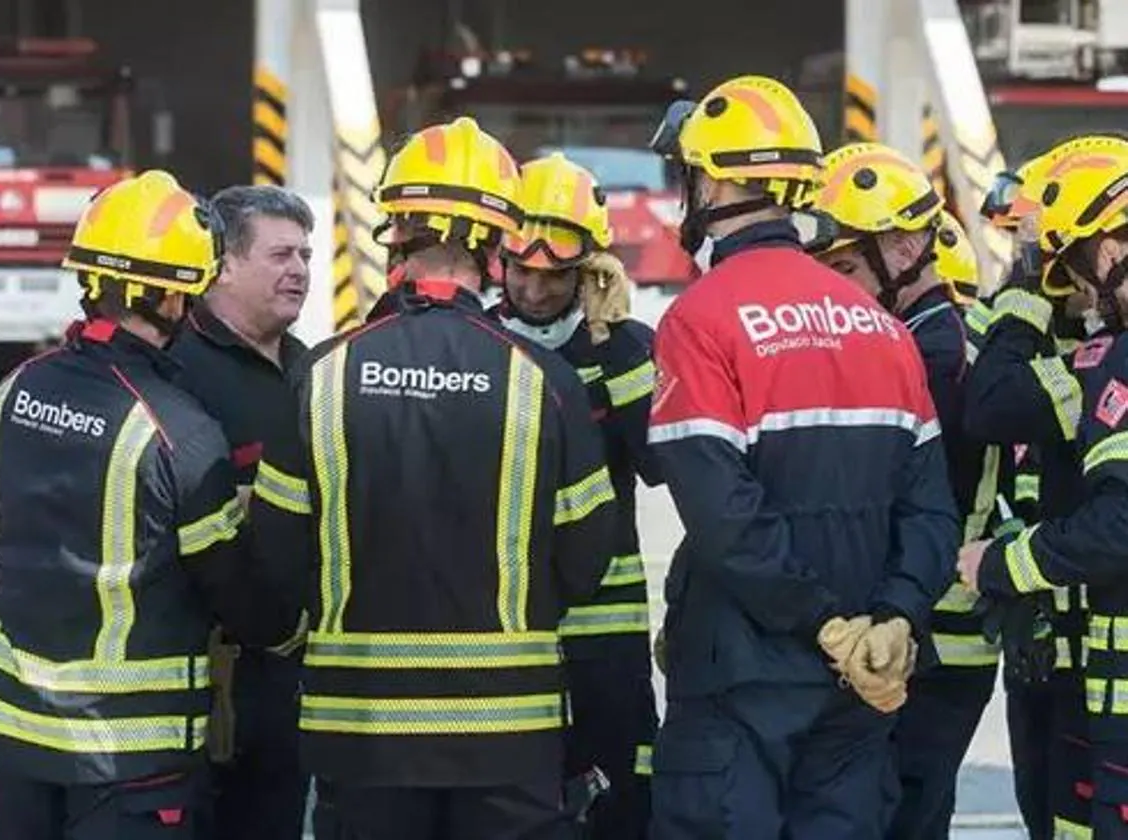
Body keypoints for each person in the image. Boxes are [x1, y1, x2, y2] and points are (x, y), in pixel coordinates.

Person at [249, 116, 617, 840]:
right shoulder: (544, 380)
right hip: (510, 732)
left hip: (358, 729)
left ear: (397, 233)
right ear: (496, 243)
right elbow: (588, 553)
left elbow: (277, 546)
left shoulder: (324, 372)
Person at [644, 75, 958, 839]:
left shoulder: (700, 319)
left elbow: (723, 513)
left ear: (713, 181)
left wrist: (822, 622)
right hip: (863, 682)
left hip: (743, 675)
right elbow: (931, 507)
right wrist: (891, 619)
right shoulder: (879, 325)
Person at [0, 169, 303, 839]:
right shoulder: (177, 431)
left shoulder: (14, 391)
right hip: (129, 760)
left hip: (16, 740)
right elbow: (231, 588)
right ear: (176, 295)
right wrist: (292, 628)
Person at [803, 142, 998, 839]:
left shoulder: (935, 355)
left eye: (849, 268)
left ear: (906, 247)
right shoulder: (916, 339)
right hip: (917, 631)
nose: (838, 289)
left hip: (931, 635)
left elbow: (897, 500)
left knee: (899, 817)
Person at [958, 137, 1128, 839]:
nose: (1076, 294)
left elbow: (1121, 525)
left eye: (1071, 267)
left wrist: (1000, 564)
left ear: (1110, 251)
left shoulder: (1110, 362)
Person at [493, 151, 661, 839]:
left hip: (606, 636)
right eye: (521, 271)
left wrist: (609, 347)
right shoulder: (475, 346)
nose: (533, 291)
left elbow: (656, 460)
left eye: (554, 276)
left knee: (625, 804)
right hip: (509, 629)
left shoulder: (623, 349)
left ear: (589, 268)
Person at [167, 184, 316, 840]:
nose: (301, 271)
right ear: (224, 264)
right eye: (281, 254)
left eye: (307, 255)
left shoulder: (312, 370)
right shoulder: (177, 370)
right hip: (210, 676)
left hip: (293, 676)